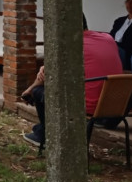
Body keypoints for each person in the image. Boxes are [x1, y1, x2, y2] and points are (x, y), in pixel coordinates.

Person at [21, 17, 122, 147]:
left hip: (88, 106)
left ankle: (43, 136)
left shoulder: (72, 45)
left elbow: (48, 76)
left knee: (38, 91)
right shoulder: (108, 38)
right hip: (114, 106)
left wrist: (29, 90)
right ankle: (42, 130)